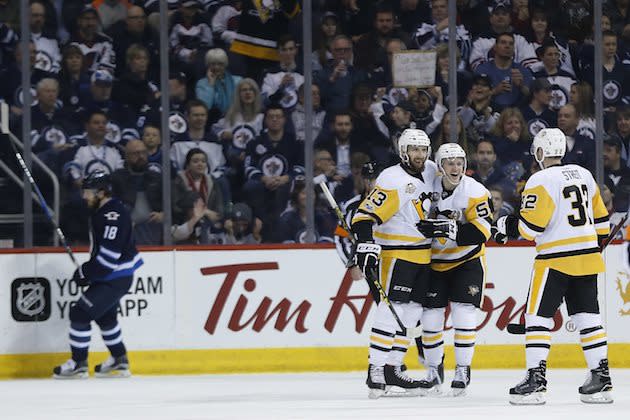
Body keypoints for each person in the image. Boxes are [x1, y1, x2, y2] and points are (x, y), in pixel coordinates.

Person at [492, 128, 613, 405]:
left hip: (554, 260)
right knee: (588, 319)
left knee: (537, 319)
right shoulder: (584, 174)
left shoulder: (540, 179)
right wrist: (591, 243)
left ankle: (536, 381)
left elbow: (530, 228)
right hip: (587, 257)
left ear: (540, 152)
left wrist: (504, 225)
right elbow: (602, 223)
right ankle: (601, 379)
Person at [351, 128, 437, 398]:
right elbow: (363, 216)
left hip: (424, 254)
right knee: (391, 311)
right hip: (397, 254)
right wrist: (366, 242)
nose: (420, 155)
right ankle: (375, 369)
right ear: (403, 152)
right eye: (414, 149)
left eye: (423, 149)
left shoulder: (433, 170)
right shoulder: (392, 179)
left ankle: (392, 368)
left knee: (411, 316)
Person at [415, 143, 493, 397]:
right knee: (430, 319)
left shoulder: (475, 191)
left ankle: (462, 368)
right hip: (435, 262)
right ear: (439, 166)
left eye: (459, 162)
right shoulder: (428, 186)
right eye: (450, 162)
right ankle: (434, 368)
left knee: (463, 315)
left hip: (466, 261)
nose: (455, 167)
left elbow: (483, 232)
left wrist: (449, 230)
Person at [53, 170, 143, 379]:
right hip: (115, 276)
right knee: (106, 317)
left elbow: (108, 259)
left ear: (102, 193)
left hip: (114, 277)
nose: (85, 196)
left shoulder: (112, 215)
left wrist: (85, 272)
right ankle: (119, 360)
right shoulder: (106, 210)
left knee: (79, 314)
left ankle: (78, 363)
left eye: (89, 192)